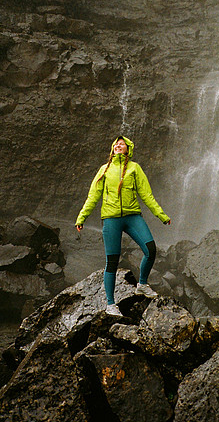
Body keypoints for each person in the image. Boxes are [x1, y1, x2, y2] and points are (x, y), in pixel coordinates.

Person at [75, 134, 171, 316]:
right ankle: (110, 304)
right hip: (111, 219)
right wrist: (81, 218)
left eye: (122, 144)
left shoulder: (135, 168)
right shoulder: (104, 169)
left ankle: (142, 284)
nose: (119, 145)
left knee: (150, 249)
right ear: (112, 149)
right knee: (112, 261)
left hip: (132, 216)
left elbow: (147, 195)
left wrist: (161, 215)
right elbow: (93, 196)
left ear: (129, 149)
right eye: (116, 144)